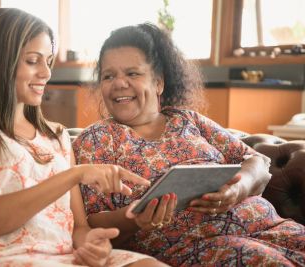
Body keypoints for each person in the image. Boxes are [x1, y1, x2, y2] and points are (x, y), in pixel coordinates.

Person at [0, 9, 168, 267]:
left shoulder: (56, 136)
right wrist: (74, 174)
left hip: (67, 259)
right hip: (2, 259)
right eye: (32, 60)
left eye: (47, 61)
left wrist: (93, 246)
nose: (46, 73)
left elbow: (78, 229)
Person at [73, 22, 305, 266]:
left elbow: (258, 162)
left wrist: (240, 187)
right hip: (199, 245)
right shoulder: (95, 140)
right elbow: (90, 222)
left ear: (158, 83)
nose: (119, 83)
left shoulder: (187, 119)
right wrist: (135, 218)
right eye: (108, 76)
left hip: (269, 226)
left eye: (132, 73)